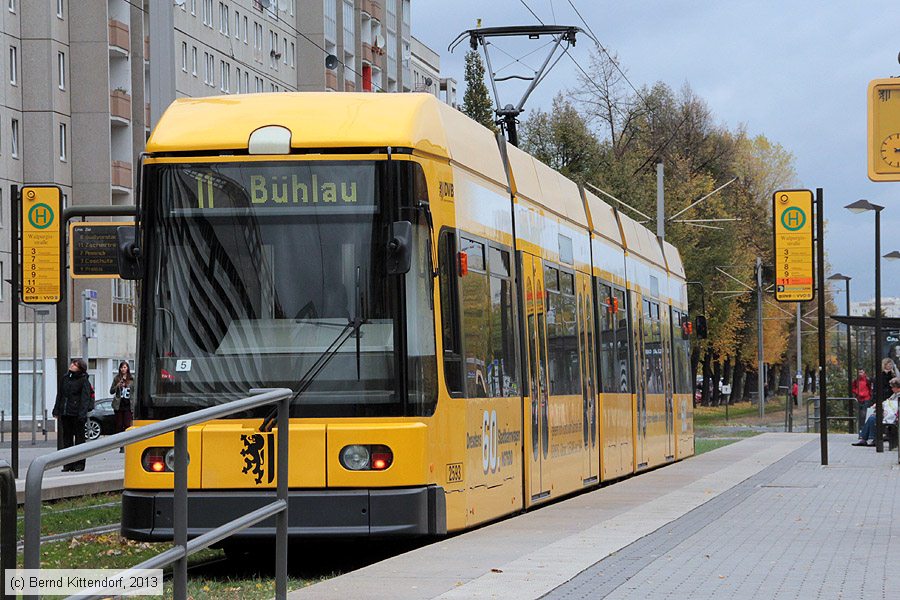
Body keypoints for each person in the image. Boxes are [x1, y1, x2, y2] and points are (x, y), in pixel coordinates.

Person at [52, 358, 94, 471]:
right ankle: (67, 464)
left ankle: (79, 464)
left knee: (79, 440)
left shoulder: (83, 380)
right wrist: (56, 410)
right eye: (72, 363)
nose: (72, 365)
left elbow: (85, 398)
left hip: (77, 414)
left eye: (75, 364)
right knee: (67, 439)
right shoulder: (65, 378)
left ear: (80, 368)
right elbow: (60, 395)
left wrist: (82, 414)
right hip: (66, 413)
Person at [853, 376, 900, 446]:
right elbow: (888, 402)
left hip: (892, 417)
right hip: (888, 415)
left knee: (873, 418)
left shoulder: (898, 396)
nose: (892, 389)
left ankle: (871, 439)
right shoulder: (895, 395)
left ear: (898, 387)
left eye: (893, 387)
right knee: (872, 417)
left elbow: (893, 406)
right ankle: (865, 439)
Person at [110, 361, 134, 450]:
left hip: (128, 405)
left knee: (127, 425)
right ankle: (121, 445)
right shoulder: (117, 378)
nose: (123, 369)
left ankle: (128, 443)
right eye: (122, 367)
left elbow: (134, 392)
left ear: (127, 368)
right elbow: (111, 391)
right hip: (119, 405)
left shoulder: (132, 379)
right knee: (119, 425)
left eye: (125, 367)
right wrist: (117, 385)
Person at [852, 368, 873, 435]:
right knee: (860, 414)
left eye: (861, 372)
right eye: (859, 372)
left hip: (866, 398)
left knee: (864, 414)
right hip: (859, 398)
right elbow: (853, 388)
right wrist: (857, 392)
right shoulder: (856, 380)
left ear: (864, 372)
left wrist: (869, 395)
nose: (860, 374)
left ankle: (864, 428)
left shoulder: (867, 380)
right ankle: (861, 428)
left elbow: (870, 388)